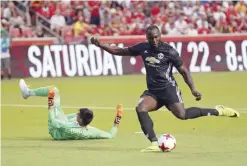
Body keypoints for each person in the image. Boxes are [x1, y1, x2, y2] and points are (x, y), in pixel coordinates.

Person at [90, 24, 240, 152]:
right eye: (151, 38)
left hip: (169, 89)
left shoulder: (169, 51)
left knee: (182, 115)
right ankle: (154, 143)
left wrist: (193, 89)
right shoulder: (143, 48)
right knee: (140, 108)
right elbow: (119, 51)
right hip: (153, 92)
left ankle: (218, 110)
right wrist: (100, 45)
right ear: (147, 37)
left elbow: (183, 71)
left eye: (156, 37)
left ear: (160, 35)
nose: (154, 40)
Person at [18, 79, 123, 140]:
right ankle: (28, 93)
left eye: (78, 114)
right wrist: (118, 116)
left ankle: (28, 93)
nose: (77, 113)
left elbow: (54, 123)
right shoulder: (90, 131)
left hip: (55, 130)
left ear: (81, 120)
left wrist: (50, 105)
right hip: (63, 124)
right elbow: (110, 135)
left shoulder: (69, 127)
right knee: (67, 113)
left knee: (54, 91)